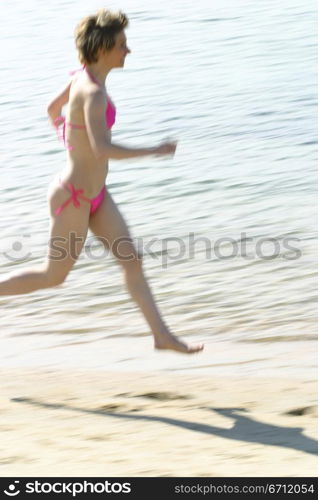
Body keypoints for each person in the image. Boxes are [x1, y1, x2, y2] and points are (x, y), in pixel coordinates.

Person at [0, 9, 203, 354]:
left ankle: (161, 336)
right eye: (122, 44)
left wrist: (66, 133)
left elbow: (52, 109)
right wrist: (154, 150)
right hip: (74, 197)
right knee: (54, 276)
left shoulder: (82, 78)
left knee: (132, 260)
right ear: (103, 48)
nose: (128, 50)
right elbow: (102, 148)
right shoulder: (93, 93)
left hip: (95, 195)